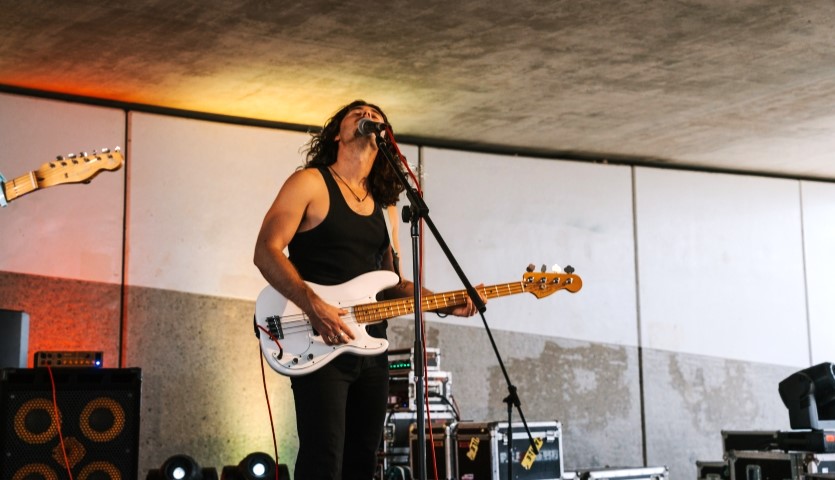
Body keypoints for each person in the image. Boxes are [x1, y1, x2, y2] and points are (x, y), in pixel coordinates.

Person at [253, 100, 479, 479]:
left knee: (362, 461)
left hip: (372, 349)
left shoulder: (386, 208)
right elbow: (265, 250)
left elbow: (393, 285)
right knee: (322, 460)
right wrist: (314, 307)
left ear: (385, 142)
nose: (368, 117)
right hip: (317, 340)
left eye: (376, 117)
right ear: (337, 133)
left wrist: (445, 302)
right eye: (357, 113)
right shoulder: (310, 182)